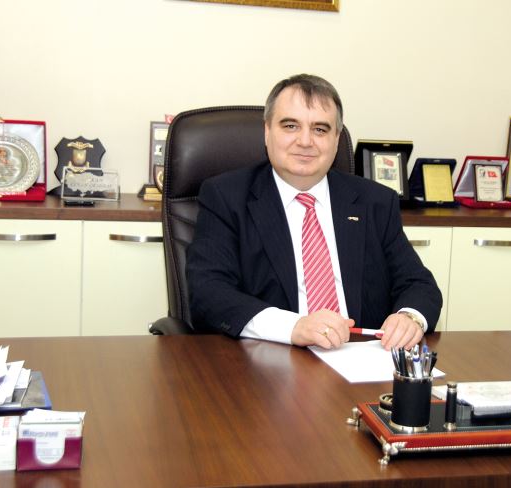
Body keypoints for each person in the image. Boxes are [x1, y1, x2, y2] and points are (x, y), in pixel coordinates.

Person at [186, 74, 442, 350]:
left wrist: (409, 318)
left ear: (336, 139)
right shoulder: (226, 197)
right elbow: (208, 291)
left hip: (362, 357)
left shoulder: (375, 202)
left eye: (320, 129)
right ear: (267, 131)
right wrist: (293, 327)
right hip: (270, 356)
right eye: (290, 126)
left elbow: (418, 284)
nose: (305, 141)